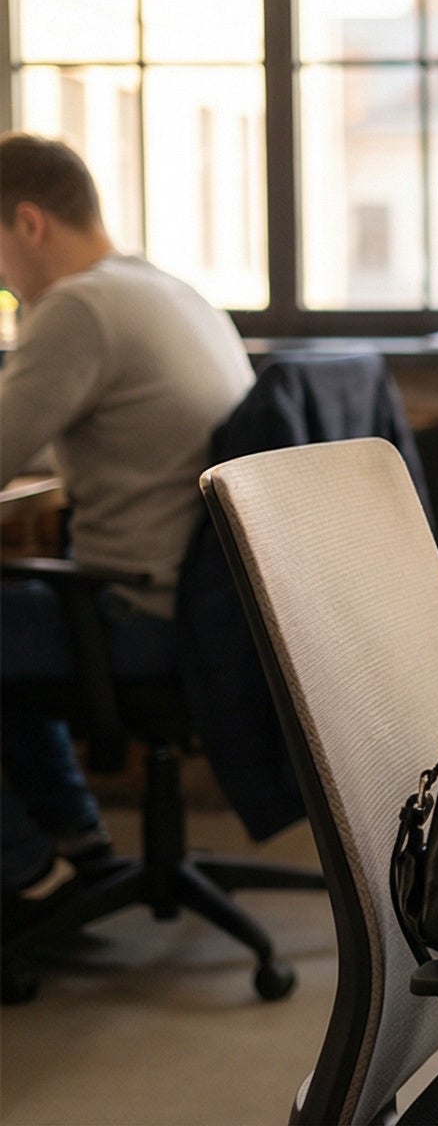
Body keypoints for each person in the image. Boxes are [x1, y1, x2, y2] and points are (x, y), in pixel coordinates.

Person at [0, 132, 254, 928]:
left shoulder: (76, 307)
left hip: (140, 617)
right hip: (213, 613)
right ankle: (73, 841)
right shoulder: (162, 289)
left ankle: (24, 870)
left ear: (29, 224)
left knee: (16, 611)